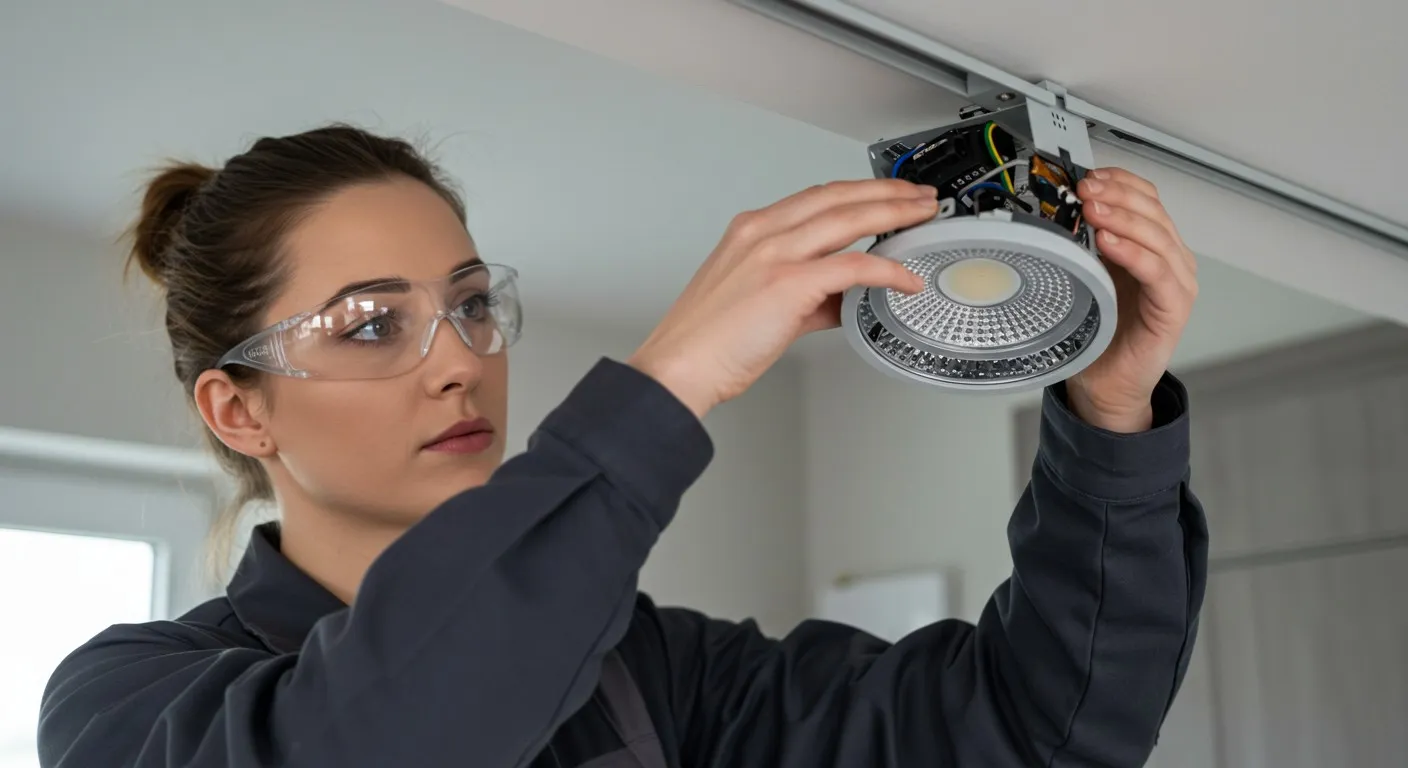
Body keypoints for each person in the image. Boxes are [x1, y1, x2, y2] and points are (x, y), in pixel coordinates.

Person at [37, 125, 1206, 768]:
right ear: (239, 411)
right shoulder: (131, 705)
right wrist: (671, 381)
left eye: (469, 303)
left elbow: (1031, 733)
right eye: (370, 325)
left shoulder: (653, 675)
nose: (459, 360)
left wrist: (1112, 414)